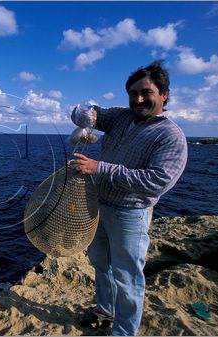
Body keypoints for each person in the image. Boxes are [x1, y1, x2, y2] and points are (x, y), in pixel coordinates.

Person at [69, 61, 188, 336]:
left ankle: (124, 331)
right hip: (99, 206)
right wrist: (85, 118)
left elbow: (155, 181)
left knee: (127, 276)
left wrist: (99, 167)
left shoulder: (170, 136)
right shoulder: (122, 117)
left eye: (146, 93)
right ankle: (105, 309)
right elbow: (82, 113)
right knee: (100, 263)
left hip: (130, 214)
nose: (138, 99)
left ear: (164, 95)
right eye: (133, 93)